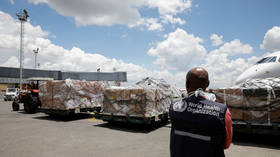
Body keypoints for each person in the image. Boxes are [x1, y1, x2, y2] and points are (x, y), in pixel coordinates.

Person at [170, 67, 232, 157]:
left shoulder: (174, 107)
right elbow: (226, 144)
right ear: (208, 84)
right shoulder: (222, 111)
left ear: (186, 84)